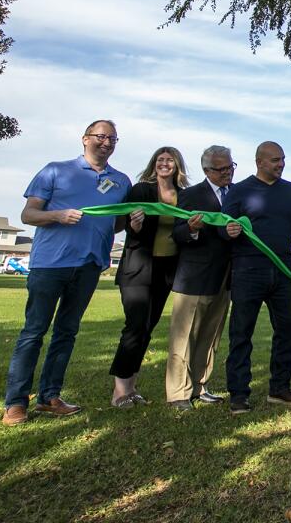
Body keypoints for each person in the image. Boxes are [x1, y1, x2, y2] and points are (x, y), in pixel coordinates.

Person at [2, 120, 132, 426]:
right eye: (100, 136)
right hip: (51, 264)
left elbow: (115, 222)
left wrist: (130, 220)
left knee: (66, 332)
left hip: (89, 266)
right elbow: (28, 214)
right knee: (34, 332)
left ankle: (50, 396)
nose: (106, 142)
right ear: (85, 139)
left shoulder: (120, 181)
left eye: (112, 138)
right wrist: (58, 215)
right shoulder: (55, 170)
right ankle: (16, 403)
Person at [221, 141, 291, 414]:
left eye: (282, 159)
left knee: (287, 331)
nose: (280, 164)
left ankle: (279, 387)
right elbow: (222, 225)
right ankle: (238, 394)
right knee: (241, 332)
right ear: (259, 162)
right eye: (275, 160)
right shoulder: (239, 191)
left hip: (283, 270)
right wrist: (228, 232)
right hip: (248, 270)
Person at [109, 146, 190, 407]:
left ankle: (131, 388)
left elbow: (183, 232)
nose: (164, 163)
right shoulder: (142, 190)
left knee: (147, 328)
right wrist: (136, 225)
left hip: (166, 271)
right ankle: (120, 391)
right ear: (153, 163)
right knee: (135, 326)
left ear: (178, 165)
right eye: (160, 159)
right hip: (139, 268)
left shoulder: (183, 196)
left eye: (170, 160)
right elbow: (127, 227)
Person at [165, 145, 236, 411]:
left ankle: (200, 385)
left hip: (225, 277)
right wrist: (192, 229)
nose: (227, 173)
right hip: (194, 277)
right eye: (221, 169)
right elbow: (177, 233)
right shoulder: (191, 195)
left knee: (211, 335)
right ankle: (178, 394)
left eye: (230, 167)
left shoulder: (236, 194)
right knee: (183, 338)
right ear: (207, 170)